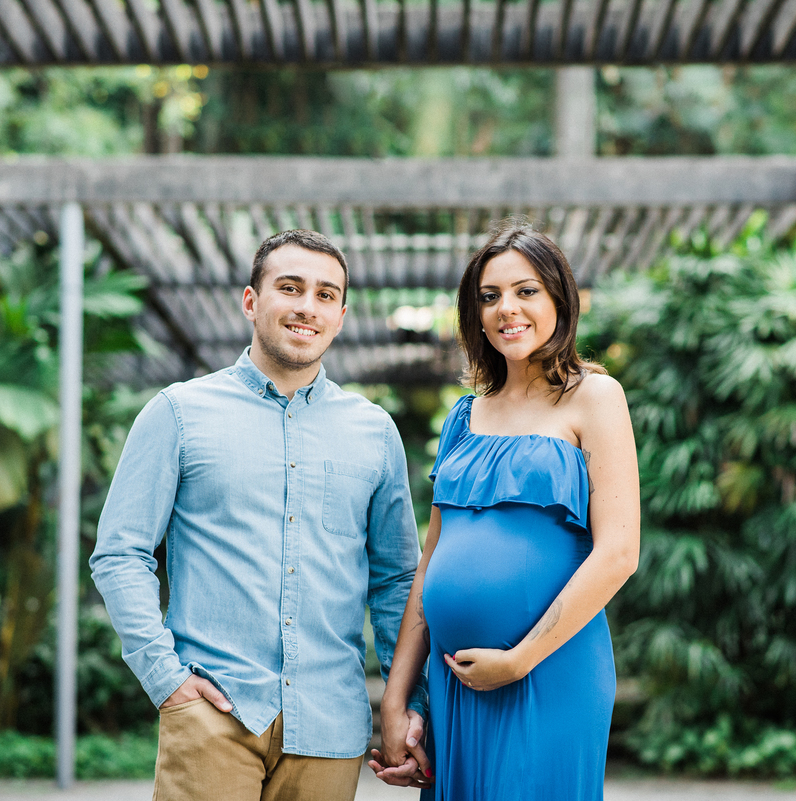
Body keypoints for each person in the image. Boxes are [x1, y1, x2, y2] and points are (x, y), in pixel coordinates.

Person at [90, 229, 429, 801]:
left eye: (326, 295)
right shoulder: (178, 413)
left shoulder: (374, 432)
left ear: (341, 316)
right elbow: (120, 553)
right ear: (251, 301)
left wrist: (410, 704)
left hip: (329, 725)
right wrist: (165, 679)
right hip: (213, 715)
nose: (307, 307)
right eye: (290, 288)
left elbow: (397, 581)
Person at [370, 220, 640, 799]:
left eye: (526, 291)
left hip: (549, 671)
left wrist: (519, 660)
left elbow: (618, 552)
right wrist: (396, 698)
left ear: (558, 299)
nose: (505, 309)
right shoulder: (464, 417)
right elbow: (432, 559)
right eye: (489, 297)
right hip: (453, 682)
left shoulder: (595, 397)